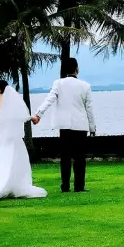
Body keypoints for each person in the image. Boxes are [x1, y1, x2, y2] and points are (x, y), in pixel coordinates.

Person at [32, 58, 96, 193]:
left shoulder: (58, 83)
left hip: (64, 125)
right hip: (80, 125)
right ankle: (79, 186)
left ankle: (65, 186)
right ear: (77, 69)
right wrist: (92, 128)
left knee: (65, 157)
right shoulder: (85, 86)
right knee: (80, 158)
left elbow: (48, 100)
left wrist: (38, 114)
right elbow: (89, 109)